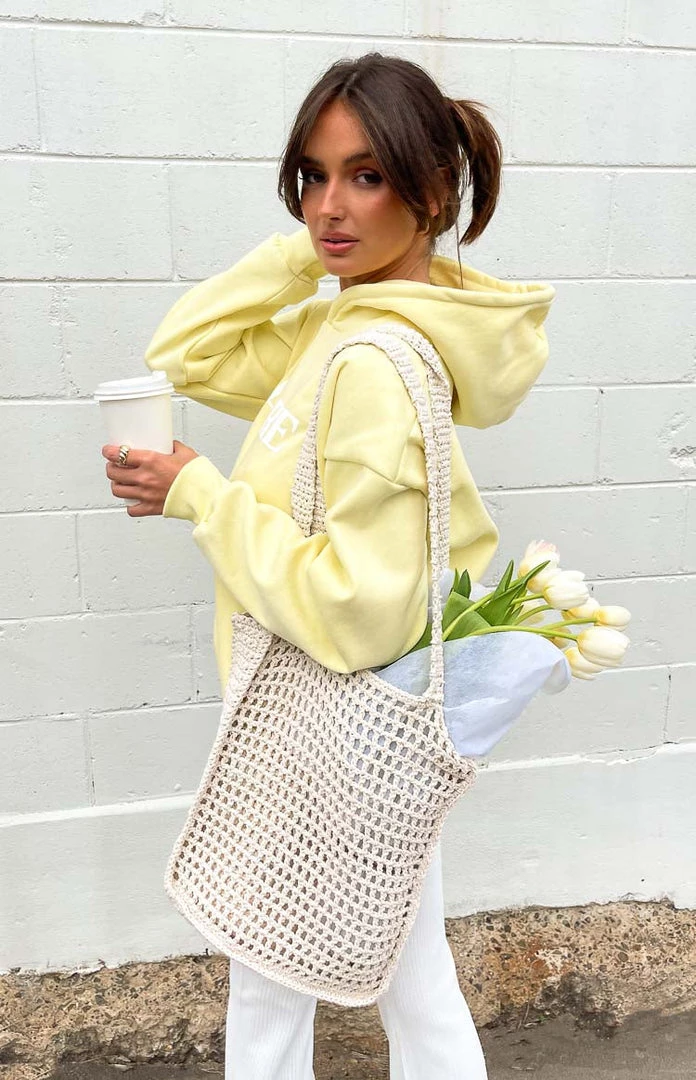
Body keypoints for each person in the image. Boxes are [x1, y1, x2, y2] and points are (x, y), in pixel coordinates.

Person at [102, 52, 554, 1080]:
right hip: (354, 721)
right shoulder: (343, 324)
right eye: (313, 175)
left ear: (431, 194)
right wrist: (307, 259)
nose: (327, 207)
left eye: (366, 176)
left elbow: (355, 612)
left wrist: (199, 493)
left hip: (323, 710)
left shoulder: (369, 366)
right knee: (408, 973)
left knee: (272, 977)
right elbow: (186, 353)